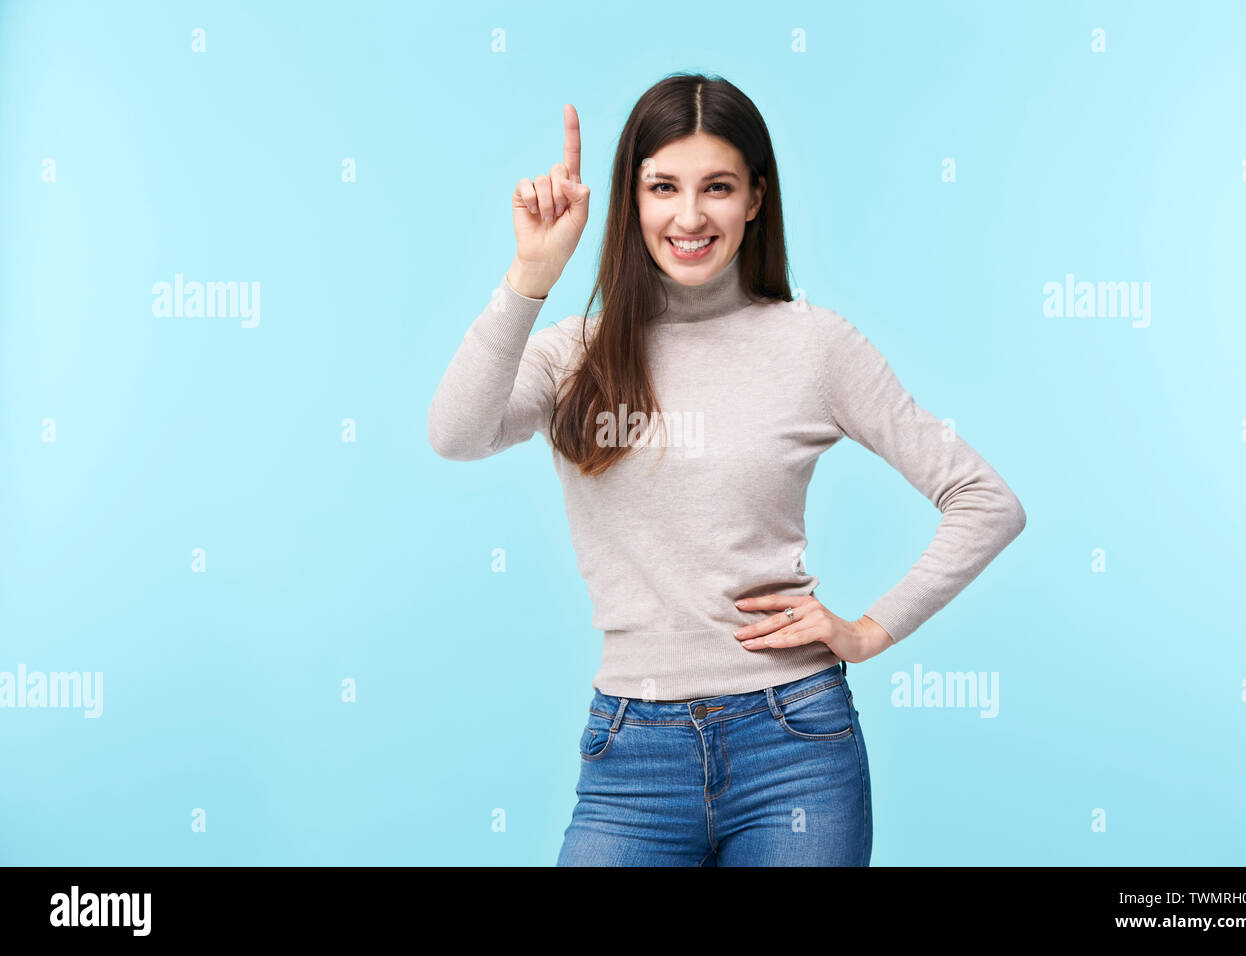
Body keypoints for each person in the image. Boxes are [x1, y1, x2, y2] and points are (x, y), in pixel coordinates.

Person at [428, 73, 1027, 866]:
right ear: (630, 200)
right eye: (662, 186)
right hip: (630, 755)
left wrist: (868, 631)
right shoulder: (575, 354)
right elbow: (456, 434)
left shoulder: (814, 346)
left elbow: (986, 501)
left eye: (717, 186)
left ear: (755, 198)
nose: (688, 215)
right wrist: (530, 275)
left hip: (795, 747)